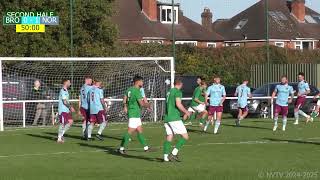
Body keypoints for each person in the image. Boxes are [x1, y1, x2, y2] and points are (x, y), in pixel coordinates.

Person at [118, 75, 151, 154]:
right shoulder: (136, 91)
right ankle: (121, 148)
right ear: (138, 82)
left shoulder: (129, 89)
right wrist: (148, 105)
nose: (142, 83)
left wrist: (125, 106)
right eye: (142, 81)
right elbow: (142, 103)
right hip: (134, 113)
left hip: (133, 112)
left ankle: (146, 148)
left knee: (140, 130)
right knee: (130, 131)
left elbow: (125, 99)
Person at [163, 79, 190, 162]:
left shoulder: (169, 92)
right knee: (185, 137)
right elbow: (178, 104)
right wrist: (186, 112)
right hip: (174, 118)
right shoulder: (177, 92)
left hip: (167, 118)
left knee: (169, 136)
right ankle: (174, 153)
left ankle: (165, 157)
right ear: (180, 84)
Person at [57, 79, 75, 143]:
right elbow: (64, 102)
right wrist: (70, 107)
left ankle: (61, 135)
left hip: (66, 110)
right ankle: (59, 138)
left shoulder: (66, 90)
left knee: (70, 122)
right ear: (65, 83)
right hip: (62, 110)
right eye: (69, 82)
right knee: (62, 124)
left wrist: (70, 107)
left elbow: (66, 101)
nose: (70, 83)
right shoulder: (63, 90)